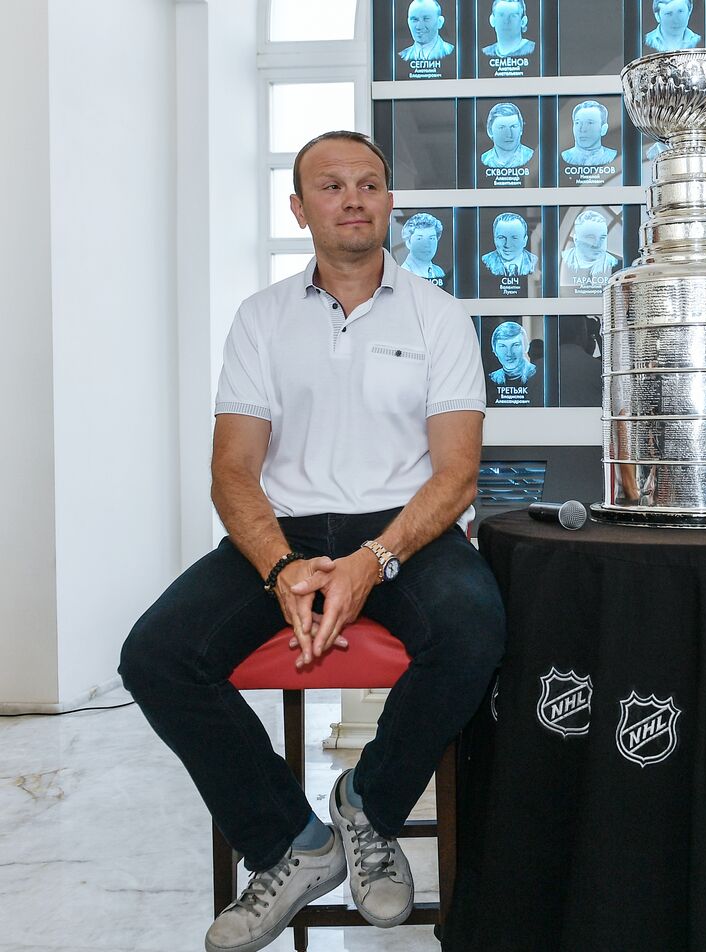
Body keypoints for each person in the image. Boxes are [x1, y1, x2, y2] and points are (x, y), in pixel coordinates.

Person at [119, 131, 505, 952]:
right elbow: (233, 472)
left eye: (369, 184)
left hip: (406, 530)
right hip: (285, 532)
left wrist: (373, 563)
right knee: (155, 655)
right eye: (330, 186)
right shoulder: (260, 320)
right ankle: (292, 845)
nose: (353, 198)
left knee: (475, 630)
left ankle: (367, 805)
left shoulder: (440, 317)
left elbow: (457, 475)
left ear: (391, 203)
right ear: (300, 209)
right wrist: (284, 567)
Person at [559, 209, 620, 285]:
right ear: (576, 240)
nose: (597, 244)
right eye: (590, 237)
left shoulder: (613, 262)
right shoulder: (564, 260)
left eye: (602, 238)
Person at [560, 101, 619, 166]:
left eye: (590, 123)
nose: (582, 129)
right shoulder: (565, 157)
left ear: (603, 129)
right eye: (577, 123)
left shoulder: (611, 155)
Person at [480, 212, 538, 276]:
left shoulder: (535, 262)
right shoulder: (484, 262)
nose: (507, 245)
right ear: (495, 239)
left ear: (525, 241)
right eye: (501, 237)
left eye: (514, 238)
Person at [480, 102, 534, 169]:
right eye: (501, 128)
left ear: (521, 129)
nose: (509, 134)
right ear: (490, 131)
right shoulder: (484, 159)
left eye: (513, 126)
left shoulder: (532, 157)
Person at [399, 212, 446, 280]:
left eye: (431, 238)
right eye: (419, 239)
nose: (427, 244)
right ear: (408, 243)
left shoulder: (439, 272)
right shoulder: (402, 273)